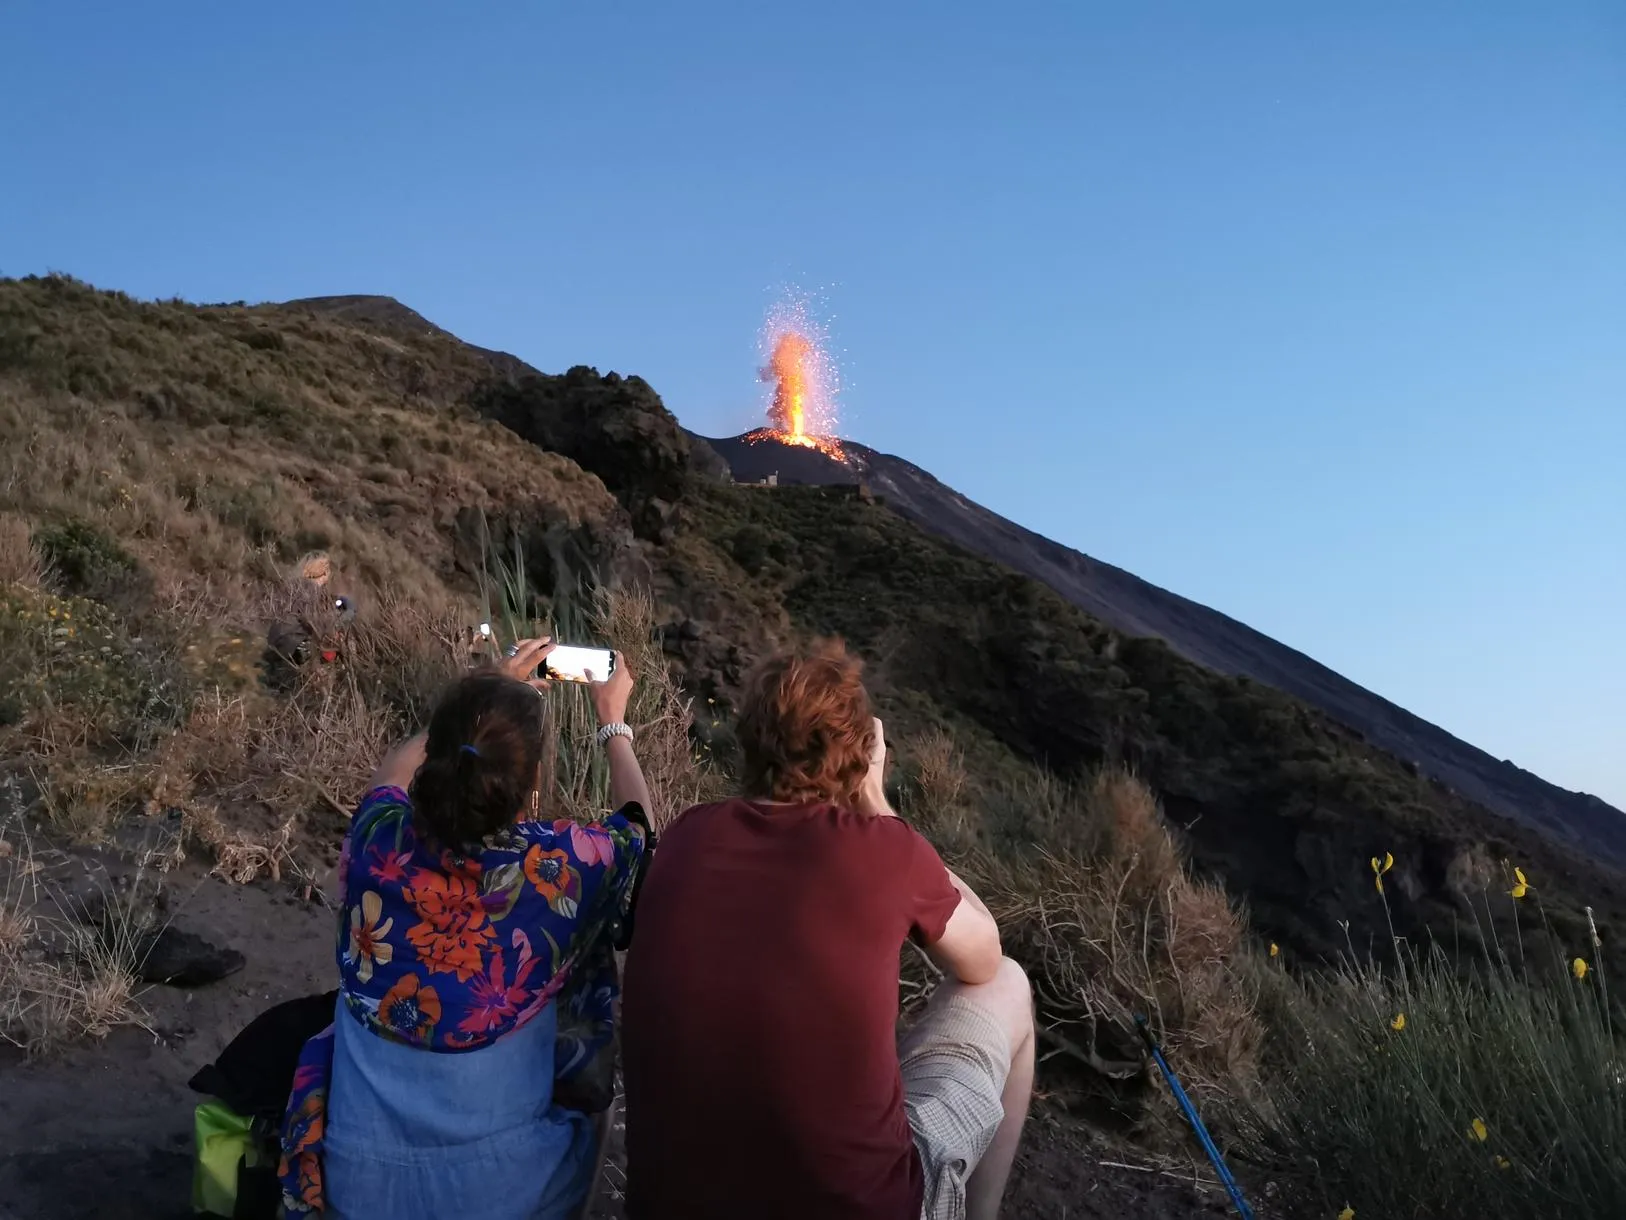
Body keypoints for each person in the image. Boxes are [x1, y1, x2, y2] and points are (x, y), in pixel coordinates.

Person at [621, 641, 1035, 1220]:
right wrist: (878, 802)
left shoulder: (686, 836)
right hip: (861, 1206)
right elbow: (983, 957)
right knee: (1010, 984)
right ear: (860, 754)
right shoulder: (884, 849)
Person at [279, 638, 650, 1220]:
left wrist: (482, 691)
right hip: (502, 1197)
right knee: (583, 980)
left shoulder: (379, 840)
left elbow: (388, 777)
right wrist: (613, 723)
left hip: (356, 1184)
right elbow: (638, 832)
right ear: (531, 785)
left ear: (438, 760)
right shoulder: (560, 870)